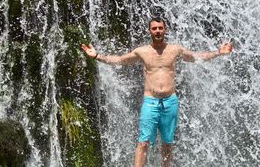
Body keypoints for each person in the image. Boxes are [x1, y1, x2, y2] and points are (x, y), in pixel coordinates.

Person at [81, 18, 233, 167]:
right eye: (154, 28)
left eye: (160, 28)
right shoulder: (142, 51)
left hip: (170, 102)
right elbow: (121, 60)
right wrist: (97, 56)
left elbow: (196, 57)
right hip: (150, 101)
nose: (158, 31)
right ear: (149, 31)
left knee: (167, 144)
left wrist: (218, 52)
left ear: (165, 30)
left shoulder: (175, 50)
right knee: (143, 142)